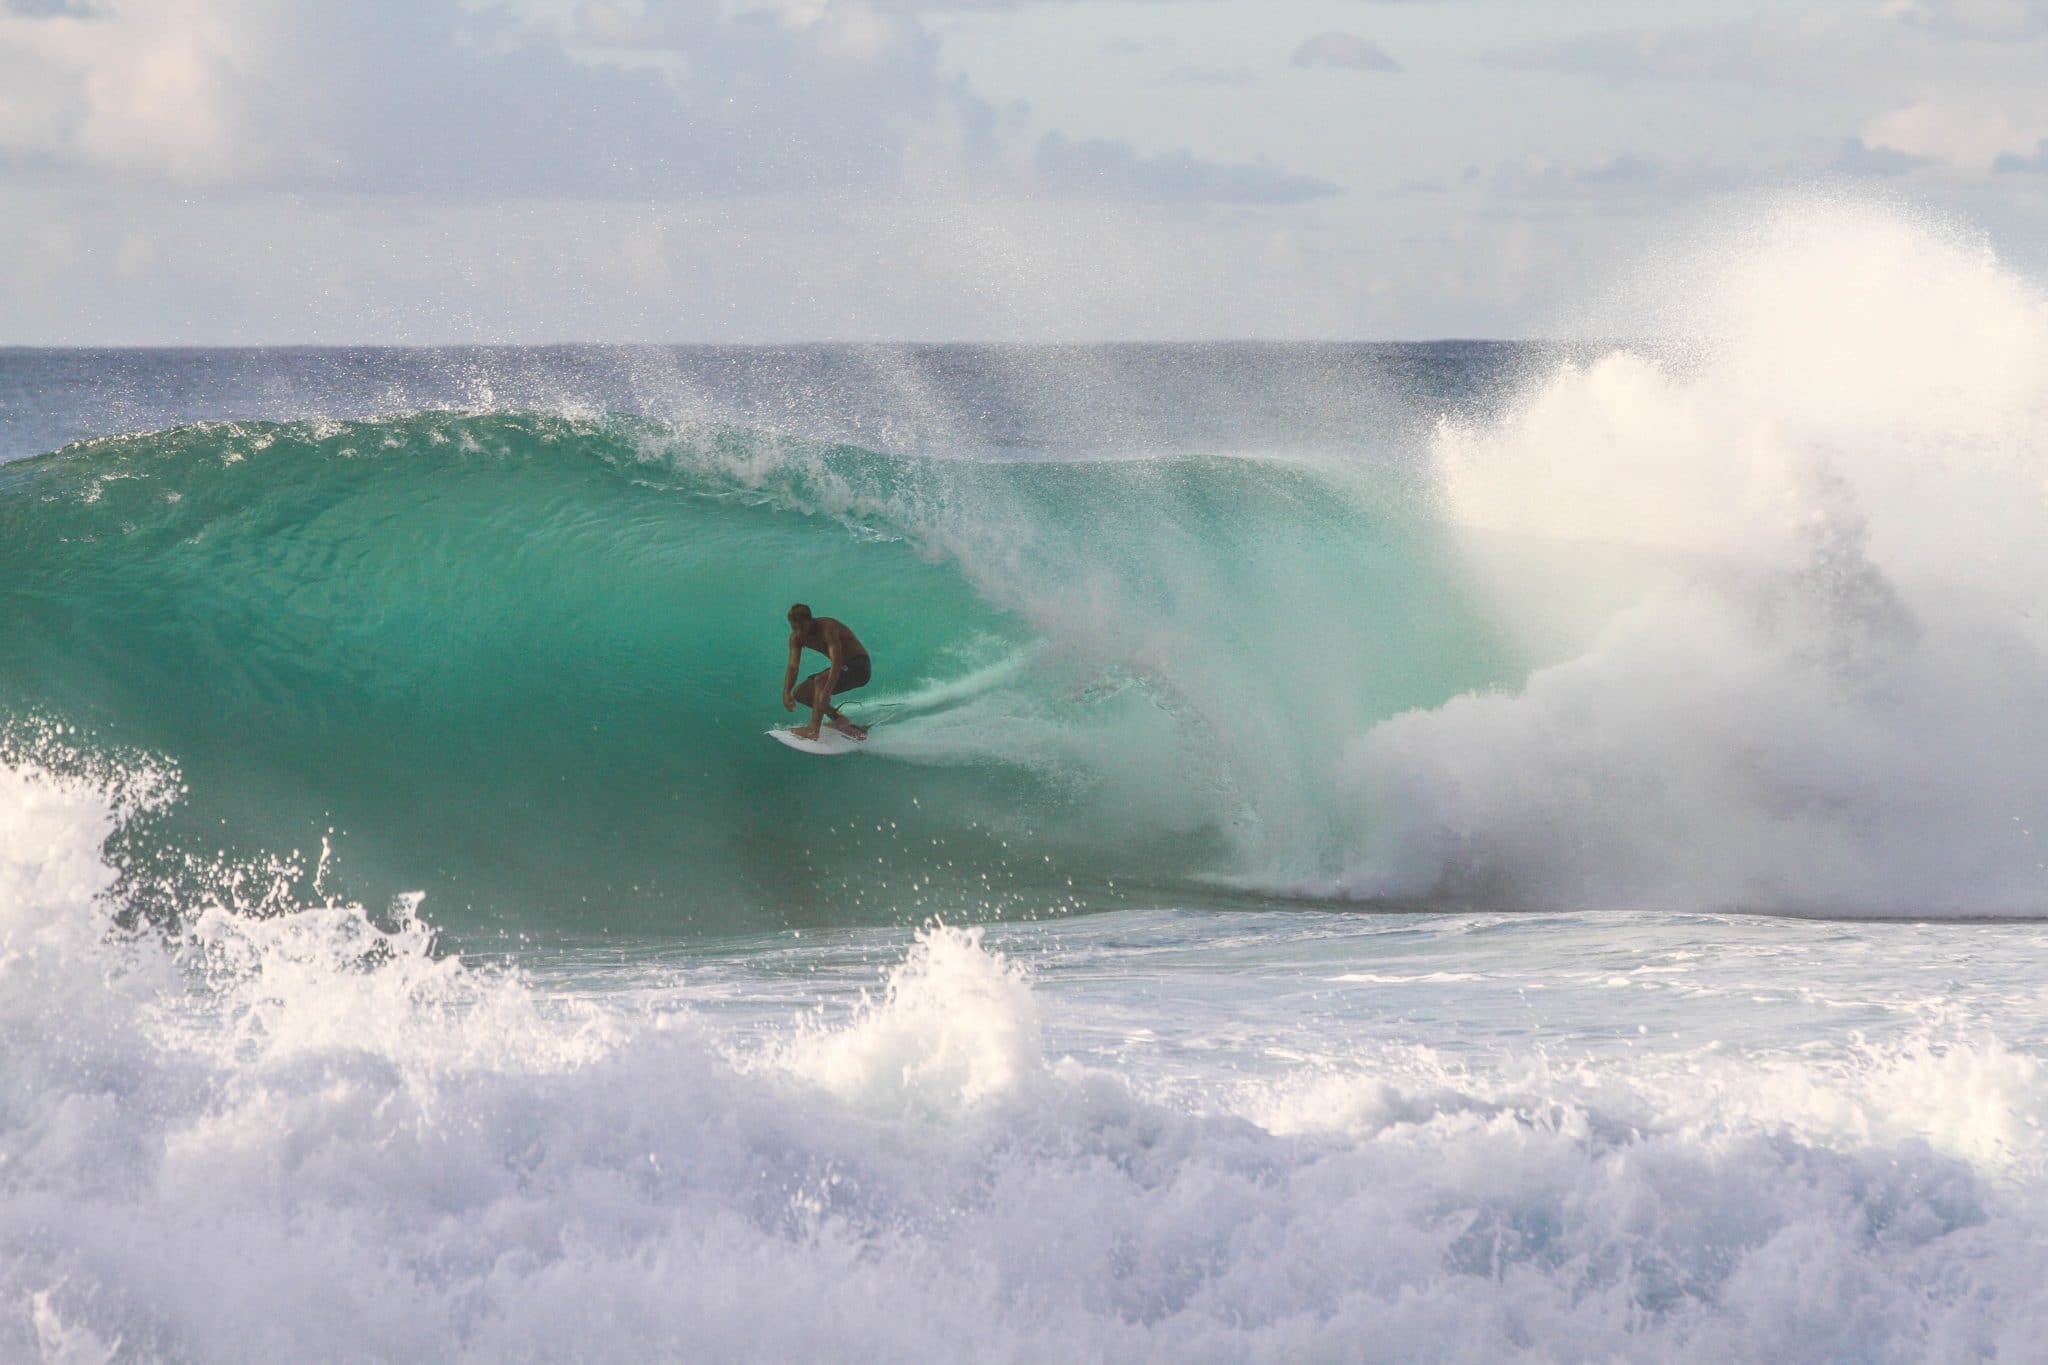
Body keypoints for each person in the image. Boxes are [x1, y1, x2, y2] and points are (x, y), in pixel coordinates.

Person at [782, 603, 871, 740]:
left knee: (821, 681)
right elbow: (793, 667)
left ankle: (813, 731)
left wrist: (826, 692)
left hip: (860, 666)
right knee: (801, 693)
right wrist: (787, 692)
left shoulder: (827, 628)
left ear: (810, 620)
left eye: (802, 627)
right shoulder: (796, 638)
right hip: (843, 667)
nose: (799, 632)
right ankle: (839, 719)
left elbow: (836, 662)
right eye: (795, 628)